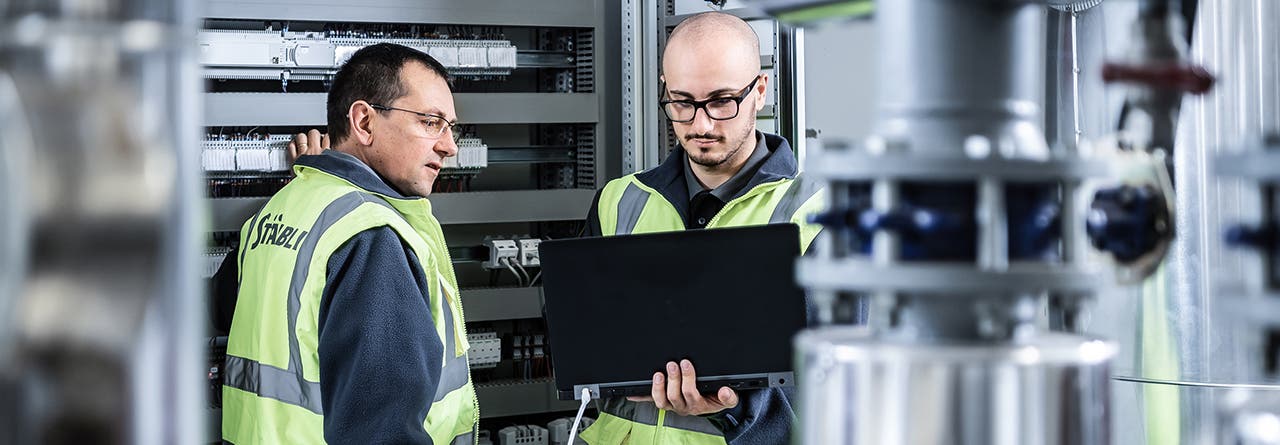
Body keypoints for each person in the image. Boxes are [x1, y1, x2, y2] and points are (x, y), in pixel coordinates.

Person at [579, 11, 825, 445]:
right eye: (682, 102)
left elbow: (838, 388)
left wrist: (738, 408)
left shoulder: (817, 213)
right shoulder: (619, 201)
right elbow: (580, 340)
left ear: (760, 92)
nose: (701, 124)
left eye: (721, 101)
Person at [219, 43, 479, 444]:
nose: (449, 146)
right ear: (364, 121)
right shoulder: (370, 237)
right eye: (431, 122)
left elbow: (223, 313)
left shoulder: (279, 211)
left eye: (451, 127)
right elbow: (382, 433)